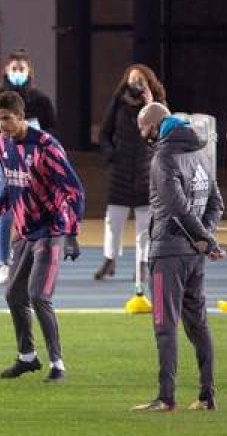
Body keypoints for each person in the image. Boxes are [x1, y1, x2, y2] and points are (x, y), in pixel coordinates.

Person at [0, 91, 84, 383]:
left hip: (51, 232)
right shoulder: (3, 143)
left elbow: (75, 191)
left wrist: (72, 234)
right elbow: (10, 185)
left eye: (7, 118)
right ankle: (27, 357)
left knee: (38, 296)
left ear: (21, 116)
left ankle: (58, 363)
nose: (2, 125)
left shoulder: (46, 146)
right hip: (24, 233)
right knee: (14, 295)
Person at [132, 103, 225, 412]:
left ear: (156, 125)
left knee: (164, 325)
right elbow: (216, 204)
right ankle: (207, 394)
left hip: (167, 253)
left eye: (144, 128)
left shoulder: (164, 157)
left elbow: (177, 207)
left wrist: (205, 239)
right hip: (192, 256)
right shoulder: (201, 152)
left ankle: (166, 397)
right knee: (198, 325)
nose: (143, 135)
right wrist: (204, 239)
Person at [0, 49, 58, 285]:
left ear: (29, 72)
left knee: (33, 210)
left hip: (34, 162)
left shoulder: (40, 100)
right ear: (6, 70)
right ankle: (3, 262)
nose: (17, 73)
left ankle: (28, 257)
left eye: (21, 69)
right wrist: (3, 136)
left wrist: (37, 135)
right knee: (7, 211)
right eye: (14, 68)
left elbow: (52, 128)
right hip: (3, 161)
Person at [94, 65, 166, 306]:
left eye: (140, 80)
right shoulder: (118, 103)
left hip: (147, 171)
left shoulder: (157, 104)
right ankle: (110, 259)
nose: (135, 84)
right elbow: (104, 133)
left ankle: (143, 264)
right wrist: (111, 155)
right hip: (121, 170)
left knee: (145, 224)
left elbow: (166, 130)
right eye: (132, 80)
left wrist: (151, 102)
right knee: (113, 220)